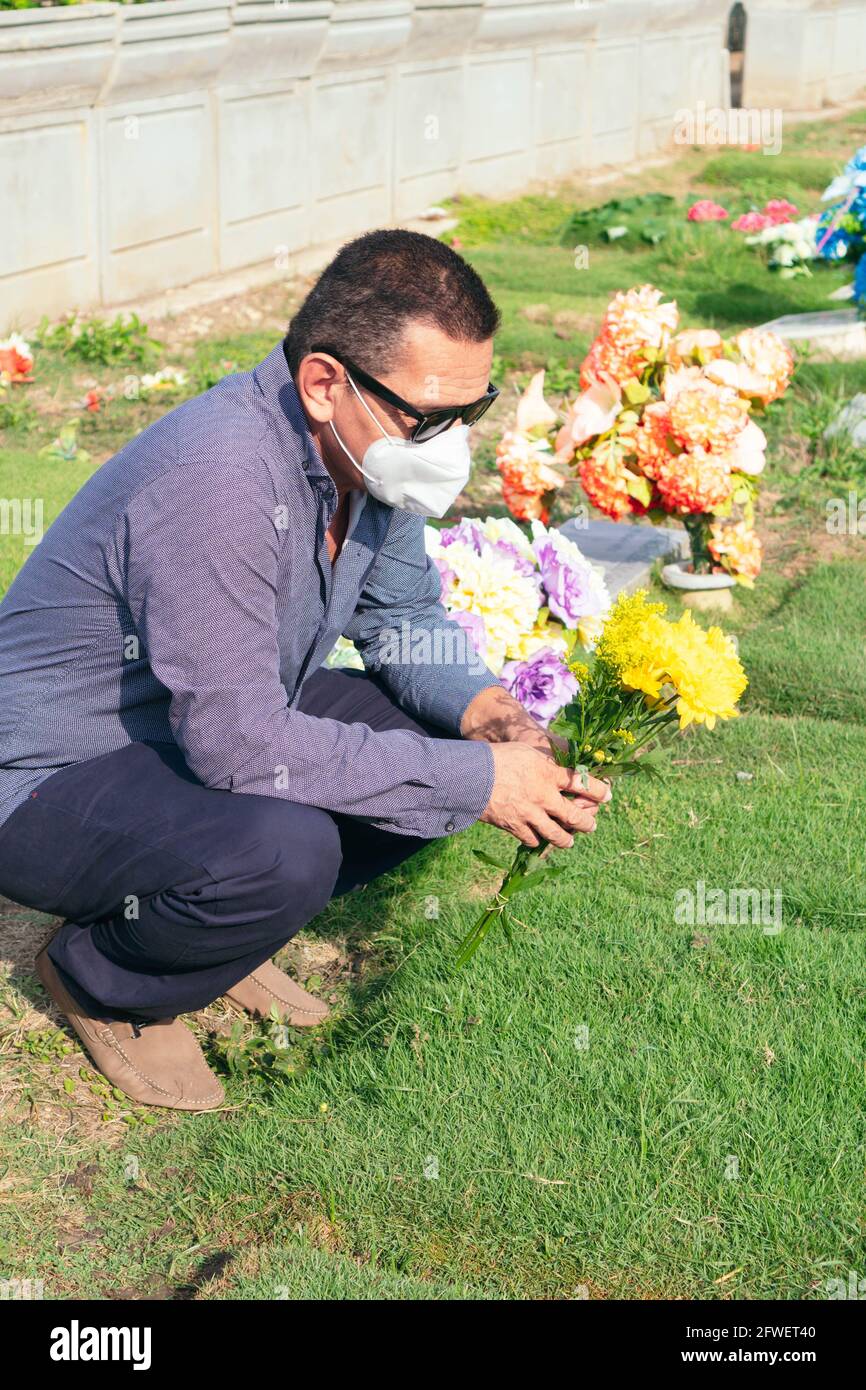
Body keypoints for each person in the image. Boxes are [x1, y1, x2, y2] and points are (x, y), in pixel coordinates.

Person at [0, 230, 610, 1110]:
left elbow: (401, 619)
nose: (450, 445)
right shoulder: (217, 477)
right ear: (326, 383)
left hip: (189, 720)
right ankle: (108, 978)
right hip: (49, 775)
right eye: (428, 418)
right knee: (284, 849)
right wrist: (476, 780)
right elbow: (239, 745)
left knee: (426, 750)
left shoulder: (366, 456)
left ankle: (213, 941)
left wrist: (485, 717)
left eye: (470, 414)